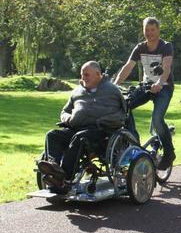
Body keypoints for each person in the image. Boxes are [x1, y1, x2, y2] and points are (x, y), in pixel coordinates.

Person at [38, 61, 126, 190]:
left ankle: (64, 177)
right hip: (75, 127)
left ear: (98, 74)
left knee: (80, 137)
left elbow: (122, 114)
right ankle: (54, 168)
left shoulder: (112, 90)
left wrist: (103, 120)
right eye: (82, 75)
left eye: (86, 75)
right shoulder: (77, 92)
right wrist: (68, 119)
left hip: (101, 131)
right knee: (52, 135)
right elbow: (65, 111)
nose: (83, 78)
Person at [114, 17, 176, 170]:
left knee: (157, 119)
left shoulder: (166, 46)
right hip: (147, 86)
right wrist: (115, 85)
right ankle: (133, 141)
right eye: (146, 30)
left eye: (152, 30)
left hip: (164, 87)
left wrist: (160, 83)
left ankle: (169, 153)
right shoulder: (140, 47)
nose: (149, 33)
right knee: (125, 106)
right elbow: (128, 66)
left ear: (158, 30)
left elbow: (166, 68)